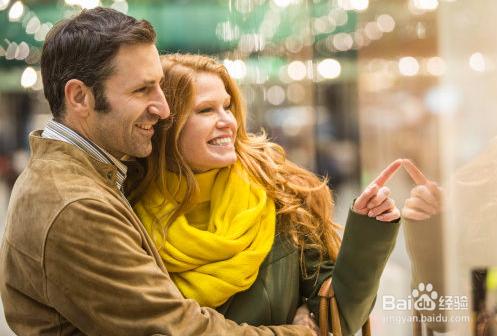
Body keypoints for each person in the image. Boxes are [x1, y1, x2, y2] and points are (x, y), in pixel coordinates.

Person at [0, 8, 317, 336]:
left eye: (160, 88)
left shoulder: (92, 178)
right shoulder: (74, 204)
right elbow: (174, 330)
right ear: (80, 97)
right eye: (142, 90)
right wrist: (302, 333)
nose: (164, 110)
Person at [131, 53, 403, 335]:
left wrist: (368, 231)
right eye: (206, 110)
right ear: (166, 123)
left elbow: (339, 316)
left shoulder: (280, 193)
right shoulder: (127, 209)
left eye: (227, 106)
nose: (228, 121)